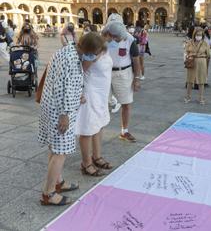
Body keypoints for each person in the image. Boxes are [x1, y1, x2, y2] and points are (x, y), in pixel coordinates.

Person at [38, 36, 88, 206]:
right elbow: (62, 89)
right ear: (88, 50)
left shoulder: (67, 50)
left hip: (51, 106)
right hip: (59, 112)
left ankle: (57, 182)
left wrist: (76, 96)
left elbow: (65, 84)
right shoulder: (73, 61)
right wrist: (65, 114)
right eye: (94, 54)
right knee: (60, 152)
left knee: (55, 148)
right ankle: (49, 193)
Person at [76, 32, 113, 176]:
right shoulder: (91, 53)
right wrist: (79, 93)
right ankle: (86, 163)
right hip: (90, 93)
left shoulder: (102, 47)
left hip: (102, 93)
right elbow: (80, 72)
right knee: (88, 128)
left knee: (99, 124)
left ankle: (96, 156)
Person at [102, 21, 141, 142]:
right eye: (118, 38)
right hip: (105, 73)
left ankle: (125, 131)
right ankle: (98, 131)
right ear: (111, 35)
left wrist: (137, 79)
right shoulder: (102, 38)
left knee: (126, 103)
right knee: (103, 104)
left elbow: (136, 60)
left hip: (123, 73)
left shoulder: (129, 39)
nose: (121, 39)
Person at [184, 28, 210, 105]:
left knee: (201, 81)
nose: (199, 36)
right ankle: (188, 97)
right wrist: (188, 56)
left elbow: (208, 54)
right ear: (194, 35)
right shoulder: (189, 42)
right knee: (189, 80)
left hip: (201, 62)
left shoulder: (205, 43)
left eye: (200, 35)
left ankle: (201, 98)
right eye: (197, 35)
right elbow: (186, 51)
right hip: (191, 62)